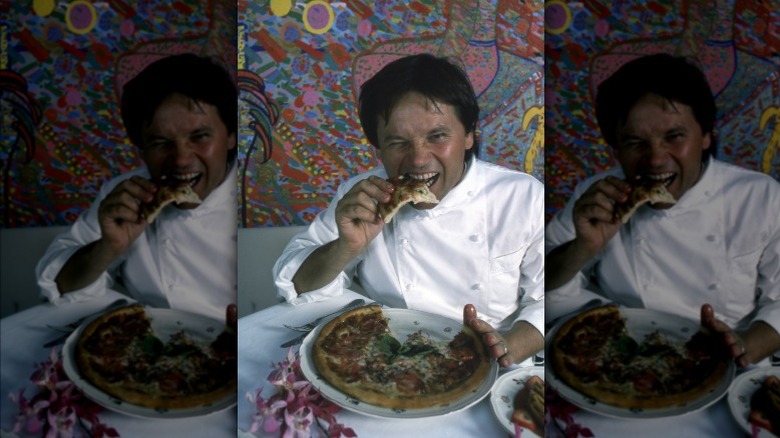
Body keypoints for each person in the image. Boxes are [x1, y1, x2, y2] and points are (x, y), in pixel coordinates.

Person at [273, 53, 544, 367]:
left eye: (437, 136)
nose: (417, 159)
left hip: (495, 366)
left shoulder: (522, 197)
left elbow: (544, 298)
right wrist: (346, 247)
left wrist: (506, 348)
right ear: (378, 148)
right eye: (398, 142)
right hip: (387, 360)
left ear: (469, 135)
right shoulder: (362, 194)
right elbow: (295, 287)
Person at [545, 53, 780, 367]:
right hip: (622, 358)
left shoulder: (759, 196)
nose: (655, 159)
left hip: (732, 367)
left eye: (674, 136)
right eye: (634, 142)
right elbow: (542, 287)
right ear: (616, 148)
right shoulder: (597, 196)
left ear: (707, 135)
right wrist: (583, 246)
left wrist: (743, 348)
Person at [36, 53, 238, 322]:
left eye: (199, 136)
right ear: (141, 147)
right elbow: (57, 288)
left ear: (232, 136)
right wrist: (109, 247)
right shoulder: (125, 194)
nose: (180, 159)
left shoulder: (250, 197)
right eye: (160, 142)